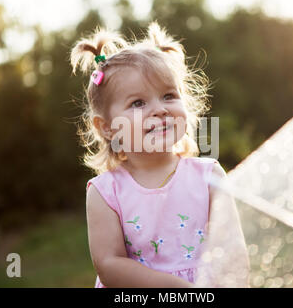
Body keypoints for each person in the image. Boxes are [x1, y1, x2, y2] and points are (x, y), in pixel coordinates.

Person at [70, 22, 249, 288]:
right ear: (106, 127)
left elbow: (234, 252)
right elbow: (110, 265)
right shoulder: (105, 191)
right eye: (138, 103)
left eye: (168, 96)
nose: (160, 110)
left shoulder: (209, 176)